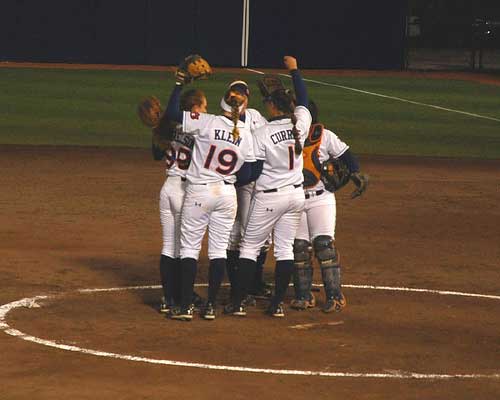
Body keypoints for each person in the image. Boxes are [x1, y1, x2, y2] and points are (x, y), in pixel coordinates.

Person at [165, 72, 256, 321]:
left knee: (190, 248)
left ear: (223, 104)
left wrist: (178, 84)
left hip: (199, 191)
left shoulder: (207, 122)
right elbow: (248, 172)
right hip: (227, 194)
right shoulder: (245, 134)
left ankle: (185, 307)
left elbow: (172, 113)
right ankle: (210, 307)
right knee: (218, 251)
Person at [229, 55, 311, 318]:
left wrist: (230, 179)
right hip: (296, 196)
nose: (264, 105)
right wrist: (295, 70)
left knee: (249, 248)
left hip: (268, 199)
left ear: (274, 107)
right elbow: (305, 101)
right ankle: (276, 305)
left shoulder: (261, 133)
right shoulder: (300, 123)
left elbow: (252, 171)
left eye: (267, 102)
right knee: (284, 249)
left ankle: (238, 302)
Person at [292, 100, 368, 313]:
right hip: (296, 199)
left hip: (320, 198)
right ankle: (303, 296)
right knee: (299, 248)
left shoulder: (325, 137)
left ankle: (335, 296)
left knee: (324, 246)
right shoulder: (286, 136)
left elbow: (347, 156)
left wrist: (355, 173)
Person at [153, 89, 207, 315]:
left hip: (167, 188)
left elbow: (156, 154)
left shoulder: (168, 128)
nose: (205, 111)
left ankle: (168, 298)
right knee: (187, 248)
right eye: (203, 107)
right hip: (186, 191)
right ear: (194, 109)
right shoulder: (202, 131)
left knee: (169, 246)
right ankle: (184, 296)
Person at [225, 80, 271, 302]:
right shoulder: (225, 118)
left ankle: (255, 283)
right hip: (240, 183)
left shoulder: (255, 116)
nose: (240, 99)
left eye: (242, 94)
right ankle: (238, 288)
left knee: (263, 236)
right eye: (236, 95)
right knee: (240, 234)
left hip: (259, 181)